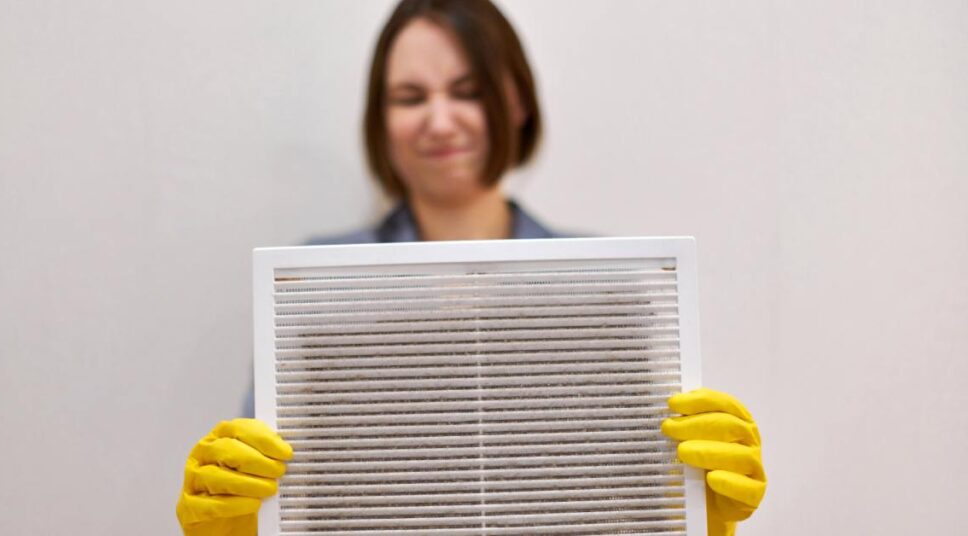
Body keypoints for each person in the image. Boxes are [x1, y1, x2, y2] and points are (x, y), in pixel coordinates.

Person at [175, 1, 767, 535]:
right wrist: (234, 522)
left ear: (514, 101)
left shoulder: (608, 292)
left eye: (467, 90)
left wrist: (695, 514)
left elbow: (635, 508)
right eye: (410, 97)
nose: (439, 120)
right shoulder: (306, 296)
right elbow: (274, 492)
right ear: (381, 120)